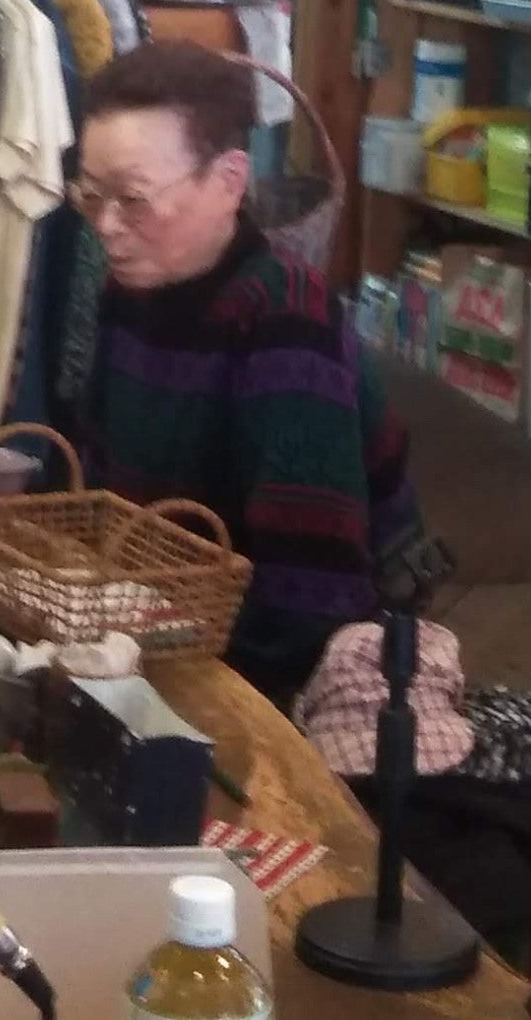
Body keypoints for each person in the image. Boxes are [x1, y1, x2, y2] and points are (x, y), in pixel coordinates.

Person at [60, 39, 433, 698]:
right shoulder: (130, 290)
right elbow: (104, 493)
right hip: (168, 623)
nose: (107, 226)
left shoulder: (286, 320)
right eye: (90, 196)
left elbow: (311, 604)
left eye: (133, 198)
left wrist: (145, 646)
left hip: (283, 666)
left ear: (229, 182)